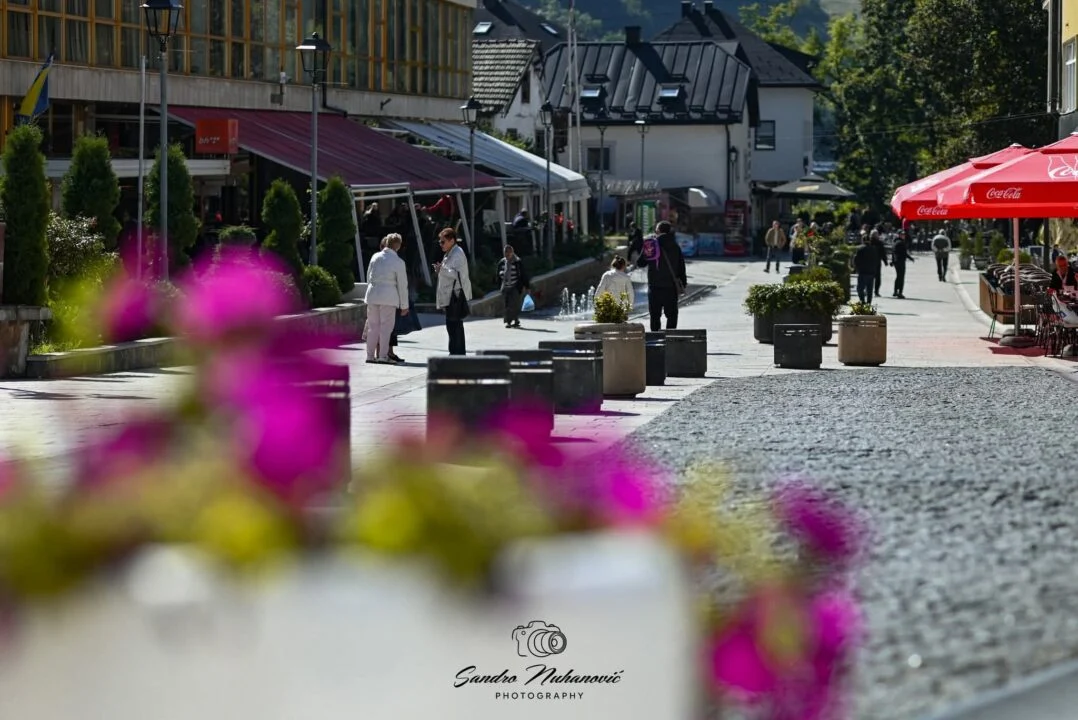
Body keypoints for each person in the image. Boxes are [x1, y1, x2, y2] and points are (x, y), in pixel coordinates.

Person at [363, 233, 409, 364]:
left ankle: (370, 356)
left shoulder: (375, 257)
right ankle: (383, 356)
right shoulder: (399, 262)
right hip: (389, 297)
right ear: (398, 246)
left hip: (372, 294)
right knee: (385, 328)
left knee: (372, 327)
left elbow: (368, 277)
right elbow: (402, 285)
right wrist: (404, 305)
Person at [637, 221, 687, 331]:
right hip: (671, 287)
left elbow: (640, 263)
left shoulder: (651, 244)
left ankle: (655, 341)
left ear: (658, 231)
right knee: (672, 315)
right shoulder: (675, 246)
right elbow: (681, 267)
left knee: (655, 316)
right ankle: (670, 340)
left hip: (654, 286)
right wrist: (683, 284)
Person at [434, 227, 472, 355]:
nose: (441, 244)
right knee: (453, 325)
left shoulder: (457, 254)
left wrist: (442, 270)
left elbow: (457, 274)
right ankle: (456, 352)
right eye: (440, 242)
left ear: (452, 240)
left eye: (443, 241)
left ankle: (457, 353)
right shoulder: (450, 253)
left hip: (455, 296)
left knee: (454, 325)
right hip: (451, 295)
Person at [497, 244, 530, 328]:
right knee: (507, 305)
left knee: (514, 304)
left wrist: (527, 287)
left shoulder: (517, 262)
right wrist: (501, 275)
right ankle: (508, 322)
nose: (507, 255)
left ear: (512, 253)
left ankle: (515, 320)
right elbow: (498, 274)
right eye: (505, 253)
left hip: (515, 286)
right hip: (505, 286)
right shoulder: (502, 262)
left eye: (508, 253)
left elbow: (523, 275)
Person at [853, 233, 879, 304]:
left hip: (863, 272)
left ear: (863, 240)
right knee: (869, 289)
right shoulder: (874, 249)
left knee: (860, 289)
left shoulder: (860, 249)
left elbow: (856, 260)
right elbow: (876, 260)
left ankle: (862, 301)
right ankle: (868, 303)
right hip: (871, 272)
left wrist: (856, 269)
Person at [891, 231, 915, 299]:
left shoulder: (894, 242)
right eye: (902, 234)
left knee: (898, 276)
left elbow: (893, 253)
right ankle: (900, 293)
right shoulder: (901, 243)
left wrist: (893, 261)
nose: (904, 235)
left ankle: (895, 291)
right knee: (901, 277)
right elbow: (904, 253)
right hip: (900, 262)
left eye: (904, 234)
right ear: (899, 235)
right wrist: (910, 258)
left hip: (896, 262)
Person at [869, 227, 888, 297]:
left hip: (873, 262)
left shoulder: (872, 242)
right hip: (875, 262)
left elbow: (883, 253)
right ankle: (875, 291)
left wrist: (885, 261)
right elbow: (883, 253)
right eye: (876, 234)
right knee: (876, 278)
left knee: (872, 277)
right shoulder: (877, 243)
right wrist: (885, 261)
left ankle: (873, 290)